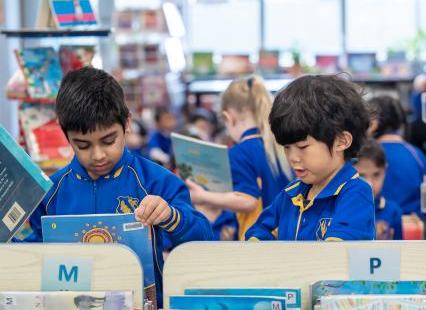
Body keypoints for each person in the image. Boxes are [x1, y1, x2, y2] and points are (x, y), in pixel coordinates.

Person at [22, 67, 212, 307]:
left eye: (108, 140)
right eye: (83, 145)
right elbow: (36, 250)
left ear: (128, 123)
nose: (98, 155)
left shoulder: (156, 181)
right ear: (66, 135)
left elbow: (203, 237)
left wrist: (172, 217)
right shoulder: (51, 191)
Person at [245, 74, 375, 241]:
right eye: (286, 147)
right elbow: (260, 230)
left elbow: (337, 253)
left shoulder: (355, 194)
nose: (292, 157)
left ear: (341, 141)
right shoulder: (290, 195)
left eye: (302, 147)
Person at [186, 75, 293, 240]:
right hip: (291, 235)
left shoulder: (239, 152)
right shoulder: (280, 146)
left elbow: (247, 200)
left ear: (229, 118)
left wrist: (202, 196)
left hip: (258, 239)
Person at [368, 95, 426, 217]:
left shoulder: (364, 157)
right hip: (412, 229)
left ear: (373, 124)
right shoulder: (418, 156)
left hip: (376, 227)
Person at [354, 138, 403, 240]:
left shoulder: (393, 211)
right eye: (361, 176)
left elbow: (400, 253)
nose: (369, 184)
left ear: (385, 171)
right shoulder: (341, 209)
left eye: (376, 175)